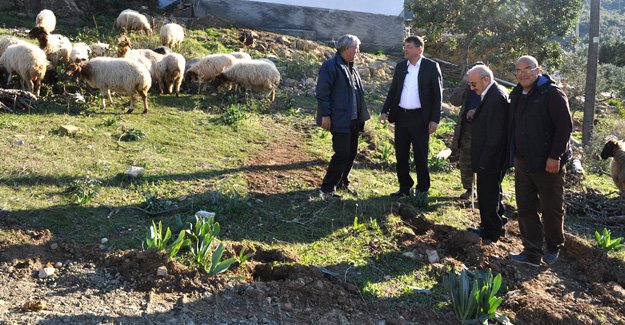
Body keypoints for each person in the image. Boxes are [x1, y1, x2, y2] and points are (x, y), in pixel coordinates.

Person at [508, 55, 572, 267]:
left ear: (538, 71)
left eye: (528, 68)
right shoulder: (518, 93)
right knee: (525, 207)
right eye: (519, 70)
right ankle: (531, 251)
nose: (523, 73)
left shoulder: (552, 93)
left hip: (548, 163)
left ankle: (553, 246)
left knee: (551, 207)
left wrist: (555, 156)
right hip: (523, 161)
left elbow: (564, 127)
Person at [380, 36, 442, 197]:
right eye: (404, 46)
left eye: (409, 47)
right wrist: (384, 110)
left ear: (419, 49)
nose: (405, 50)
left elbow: (437, 96)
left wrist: (434, 119)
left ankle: (422, 188)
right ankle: (404, 187)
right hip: (401, 116)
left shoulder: (431, 67)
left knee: (420, 154)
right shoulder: (401, 67)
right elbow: (393, 91)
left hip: (420, 118)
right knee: (401, 154)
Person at [315, 34, 370, 200]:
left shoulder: (351, 66)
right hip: (339, 119)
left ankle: (342, 182)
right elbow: (322, 93)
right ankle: (327, 188)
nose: (358, 51)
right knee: (342, 153)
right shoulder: (330, 66)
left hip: (353, 119)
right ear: (346, 49)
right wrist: (325, 115)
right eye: (356, 48)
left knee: (351, 153)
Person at [464, 64, 509, 242]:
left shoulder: (496, 97)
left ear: (486, 79)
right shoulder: (491, 94)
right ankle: (494, 225)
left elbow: (496, 133)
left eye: (474, 84)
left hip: (491, 157)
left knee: (488, 194)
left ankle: (491, 231)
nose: (472, 88)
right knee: (491, 192)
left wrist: (484, 160)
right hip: (489, 156)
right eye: (470, 84)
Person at [449, 61, 484, 200]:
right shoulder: (468, 87)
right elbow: (454, 100)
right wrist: (464, 83)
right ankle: (470, 189)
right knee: (465, 159)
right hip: (467, 127)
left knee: (482, 160)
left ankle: (485, 190)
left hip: (483, 128)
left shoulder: (491, 89)